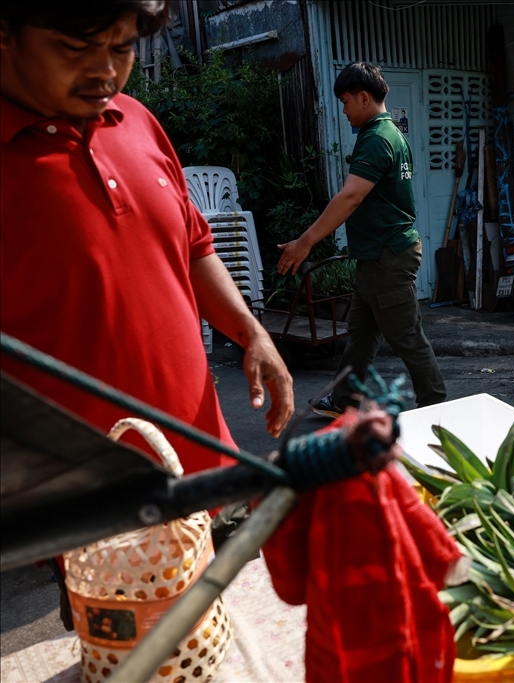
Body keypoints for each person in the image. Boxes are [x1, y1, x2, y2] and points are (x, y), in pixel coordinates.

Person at [0, 0, 294, 474]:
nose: (105, 73)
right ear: (6, 31)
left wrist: (250, 331)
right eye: (75, 48)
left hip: (210, 471)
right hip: (77, 509)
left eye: (123, 48)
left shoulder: (137, 120)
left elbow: (194, 249)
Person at [277, 62, 446, 414]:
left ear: (364, 98)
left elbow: (350, 197)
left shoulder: (377, 139)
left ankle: (435, 406)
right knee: (361, 337)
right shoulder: (392, 135)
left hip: (388, 256)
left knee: (406, 336)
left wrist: (305, 242)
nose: (344, 110)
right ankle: (342, 401)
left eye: (346, 101)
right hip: (376, 257)